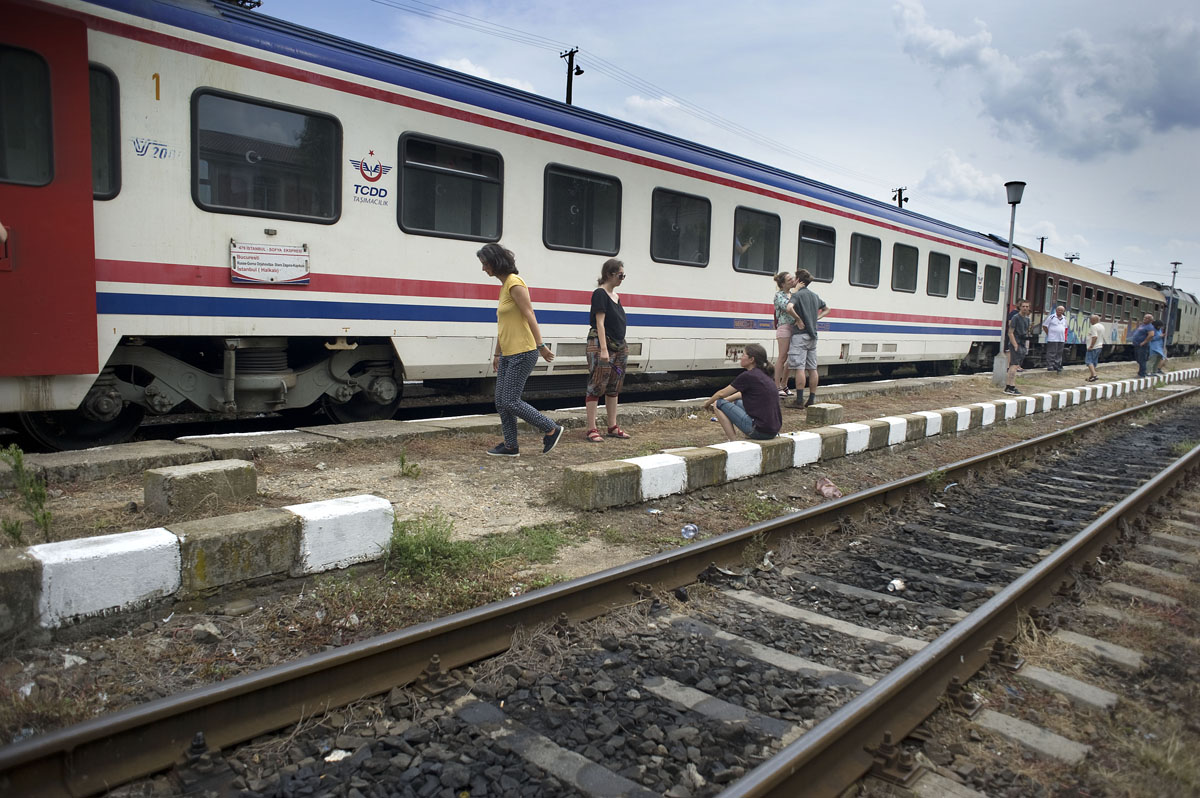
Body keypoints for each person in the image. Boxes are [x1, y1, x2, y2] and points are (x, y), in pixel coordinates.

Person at [477, 244, 564, 457]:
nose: (483, 269)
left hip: (524, 351)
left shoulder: (515, 283)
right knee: (501, 401)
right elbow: (504, 325)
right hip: (508, 353)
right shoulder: (505, 286)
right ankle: (510, 446)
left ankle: (551, 428)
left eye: (485, 264)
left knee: (510, 400)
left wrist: (541, 346)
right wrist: (498, 353)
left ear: (495, 262)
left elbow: (529, 314)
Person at [584, 258, 630, 442]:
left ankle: (612, 425)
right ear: (610, 274)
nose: (622, 278)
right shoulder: (600, 294)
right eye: (620, 275)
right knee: (596, 384)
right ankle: (591, 428)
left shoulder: (616, 297)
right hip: (604, 344)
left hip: (619, 345)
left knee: (614, 386)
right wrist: (603, 349)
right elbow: (600, 323)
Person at [702, 343, 781, 441]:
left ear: (751, 360)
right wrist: (727, 400)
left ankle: (733, 441)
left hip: (759, 431)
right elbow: (740, 394)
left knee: (718, 403)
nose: (740, 358)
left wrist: (707, 403)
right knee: (738, 402)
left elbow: (720, 394)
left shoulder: (748, 376)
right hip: (773, 430)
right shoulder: (764, 374)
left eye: (743, 355)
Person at [785, 268, 830, 407]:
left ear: (799, 280)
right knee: (812, 368)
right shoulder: (814, 296)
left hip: (800, 335)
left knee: (800, 367)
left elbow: (789, 308)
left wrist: (798, 319)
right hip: (813, 336)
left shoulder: (797, 295)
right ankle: (811, 399)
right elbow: (828, 309)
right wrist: (816, 318)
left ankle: (799, 400)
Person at [772, 271, 797, 396]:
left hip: (794, 328)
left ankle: (784, 384)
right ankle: (776, 386)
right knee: (782, 357)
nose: (793, 280)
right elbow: (788, 307)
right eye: (789, 279)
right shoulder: (779, 295)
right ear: (782, 284)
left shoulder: (794, 294)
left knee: (791, 358)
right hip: (784, 328)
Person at [1004, 300, 1032, 395]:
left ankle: (1010, 386)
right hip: (1016, 343)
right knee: (1014, 365)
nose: (1025, 308)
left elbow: (1027, 331)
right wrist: (1015, 345)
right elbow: (1010, 332)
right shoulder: (1016, 318)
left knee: (1016, 365)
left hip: (1023, 343)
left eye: (1027, 306)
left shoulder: (1027, 319)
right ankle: (1010, 386)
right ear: (1020, 307)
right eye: (1023, 306)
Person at [1042, 304, 1068, 372]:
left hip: (1061, 338)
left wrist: (1065, 337)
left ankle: (1057, 365)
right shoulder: (1051, 317)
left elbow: (1065, 328)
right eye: (1059, 310)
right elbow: (1044, 326)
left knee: (1059, 353)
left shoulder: (1064, 318)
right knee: (1051, 352)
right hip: (1053, 338)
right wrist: (1049, 334)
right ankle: (1050, 365)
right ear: (1056, 310)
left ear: (1063, 311)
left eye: (1062, 310)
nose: (1060, 311)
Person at [1130, 313, 1155, 378]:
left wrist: (1144, 342)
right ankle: (1142, 372)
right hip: (1137, 345)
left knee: (1142, 360)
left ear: (1150, 320)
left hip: (1143, 346)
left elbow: (1151, 335)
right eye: (1144, 318)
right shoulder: (1142, 325)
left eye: (1147, 318)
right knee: (1138, 359)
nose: (1145, 319)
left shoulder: (1149, 326)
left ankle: (1142, 374)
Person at [1084, 313, 1105, 382]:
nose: (1090, 321)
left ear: (1094, 320)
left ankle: (1094, 375)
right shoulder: (1102, 326)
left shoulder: (1094, 327)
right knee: (1093, 362)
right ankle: (1091, 376)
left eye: (1091, 320)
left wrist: (1091, 346)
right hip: (1099, 346)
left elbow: (1095, 337)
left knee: (1088, 361)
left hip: (1094, 347)